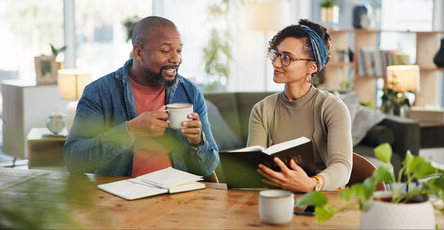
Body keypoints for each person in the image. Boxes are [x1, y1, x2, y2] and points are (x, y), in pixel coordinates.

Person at [63, 16, 219, 177]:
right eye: (166, 51)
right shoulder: (98, 93)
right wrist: (130, 130)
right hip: (121, 196)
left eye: (179, 50)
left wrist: (198, 142)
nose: (176, 59)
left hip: (179, 195)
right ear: (138, 52)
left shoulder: (190, 92)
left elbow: (208, 168)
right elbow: (73, 161)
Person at [247, 19, 352, 192]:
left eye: (287, 58)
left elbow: (342, 167)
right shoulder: (262, 110)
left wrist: (312, 184)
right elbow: (253, 168)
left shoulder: (333, 108)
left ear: (311, 67)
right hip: (276, 196)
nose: (276, 63)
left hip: (321, 199)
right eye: (276, 54)